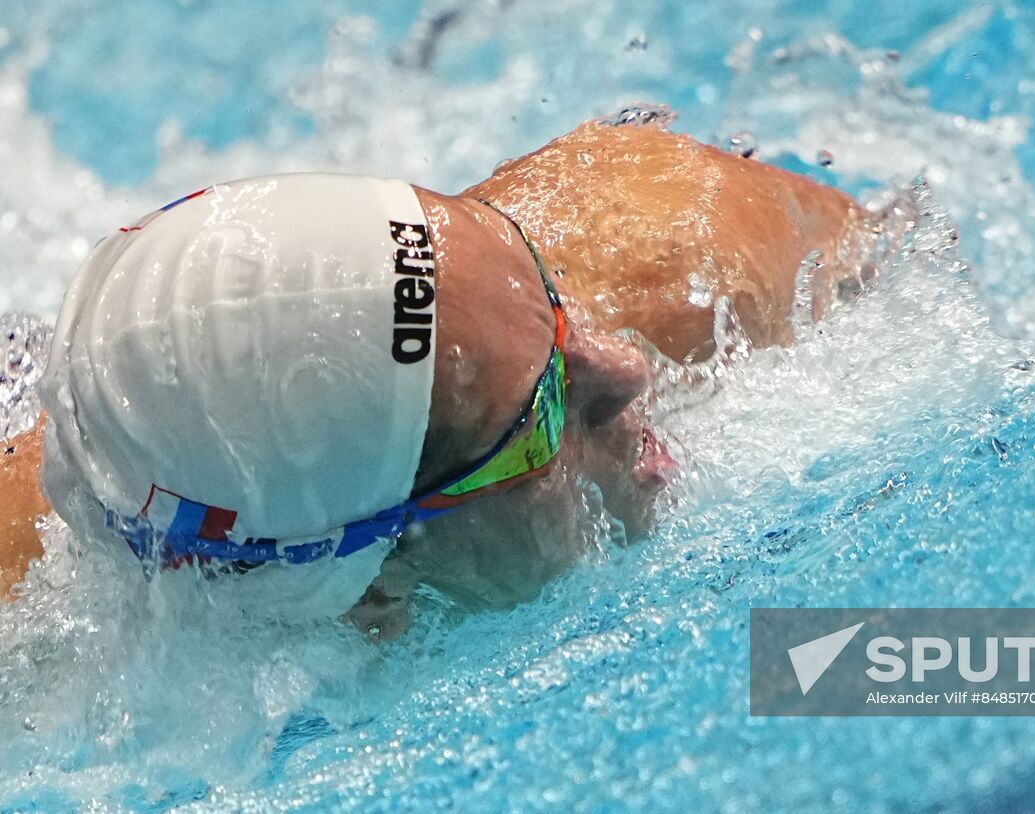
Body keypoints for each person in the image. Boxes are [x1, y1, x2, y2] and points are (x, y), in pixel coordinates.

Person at [0, 114, 875, 636]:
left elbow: (918, 264)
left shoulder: (680, 250)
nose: (627, 370)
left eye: (548, 292)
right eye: (536, 419)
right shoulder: (40, 686)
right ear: (363, 587)